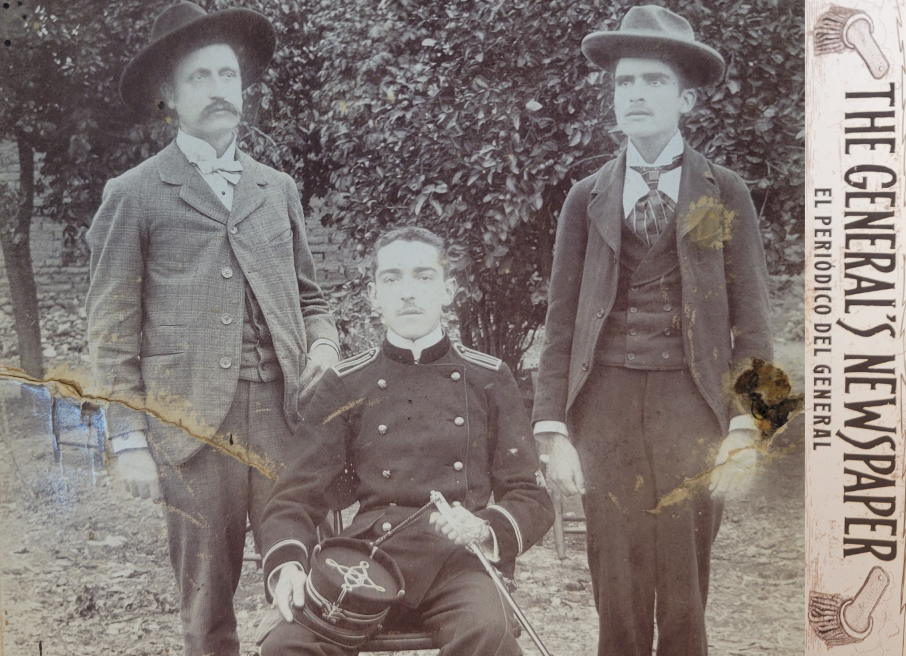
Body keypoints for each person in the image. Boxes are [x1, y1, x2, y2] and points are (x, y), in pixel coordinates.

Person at [85, 4, 339, 655]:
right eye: (200, 77)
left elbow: (312, 296)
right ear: (168, 96)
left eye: (229, 74)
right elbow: (110, 330)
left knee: (308, 580)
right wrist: (128, 440)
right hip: (192, 429)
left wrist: (326, 342)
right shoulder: (135, 194)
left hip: (285, 419)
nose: (221, 89)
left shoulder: (276, 189)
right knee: (207, 600)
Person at [531, 6, 773, 656]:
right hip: (603, 410)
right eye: (624, 82)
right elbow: (559, 323)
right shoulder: (585, 199)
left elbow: (755, 320)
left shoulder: (724, 194)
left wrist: (749, 428)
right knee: (616, 581)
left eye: (653, 81)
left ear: (686, 98)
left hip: (691, 409)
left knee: (686, 584)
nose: (635, 93)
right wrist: (551, 429)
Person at [257, 227, 554, 655]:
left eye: (423, 276)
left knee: (487, 636)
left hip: (460, 565)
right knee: (286, 646)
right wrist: (287, 564)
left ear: (448, 291)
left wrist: (484, 526)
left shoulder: (489, 377)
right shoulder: (344, 383)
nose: (408, 293)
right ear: (375, 295)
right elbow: (293, 496)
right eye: (393, 279)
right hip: (368, 560)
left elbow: (531, 493)